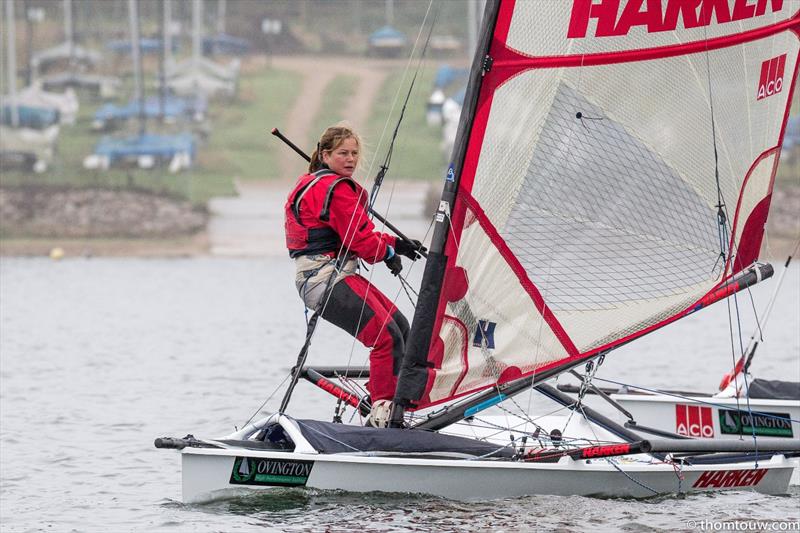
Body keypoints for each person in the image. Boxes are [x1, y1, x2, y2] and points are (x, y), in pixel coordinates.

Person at [284, 124, 425, 427]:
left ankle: (393, 406)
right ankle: (382, 414)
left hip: (333, 274)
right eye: (342, 153)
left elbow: (357, 235)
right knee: (386, 337)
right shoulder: (337, 189)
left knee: (402, 328)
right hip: (324, 278)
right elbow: (362, 244)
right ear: (325, 155)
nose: (350, 159)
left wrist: (396, 245)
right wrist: (387, 252)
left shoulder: (320, 183)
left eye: (354, 153)